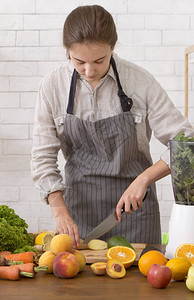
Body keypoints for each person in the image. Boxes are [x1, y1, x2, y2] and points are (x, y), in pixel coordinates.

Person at [31, 5, 194, 248]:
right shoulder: (52, 86)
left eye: (99, 60)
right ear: (68, 52)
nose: (89, 71)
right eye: (79, 61)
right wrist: (59, 212)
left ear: (112, 48)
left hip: (136, 216)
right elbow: (43, 158)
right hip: (79, 217)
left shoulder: (140, 81)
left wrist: (144, 179)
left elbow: (187, 141)